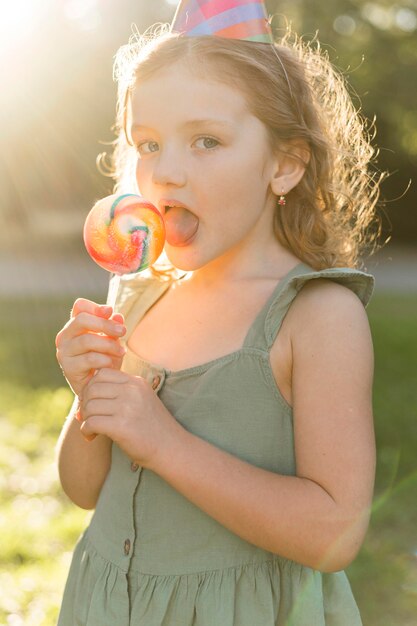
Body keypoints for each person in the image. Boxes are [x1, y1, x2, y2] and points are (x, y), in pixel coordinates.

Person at [55, 1, 381, 624]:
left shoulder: (317, 316)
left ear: (284, 163)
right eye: (148, 144)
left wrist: (164, 443)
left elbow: (334, 534)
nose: (167, 172)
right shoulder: (138, 296)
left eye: (207, 140)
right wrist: (87, 394)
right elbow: (83, 489)